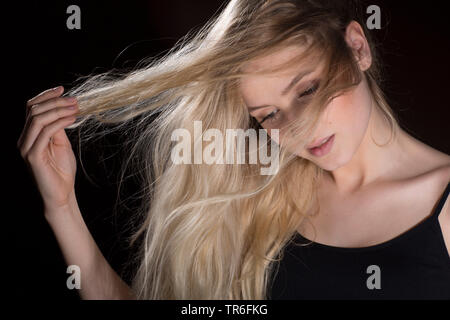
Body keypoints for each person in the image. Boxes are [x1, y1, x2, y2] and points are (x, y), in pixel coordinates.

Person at [17, 0, 449, 300]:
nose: (297, 126)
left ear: (357, 47)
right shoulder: (260, 200)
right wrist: (62, 207)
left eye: (307, 90)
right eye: (268, 115)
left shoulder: (443, 206)